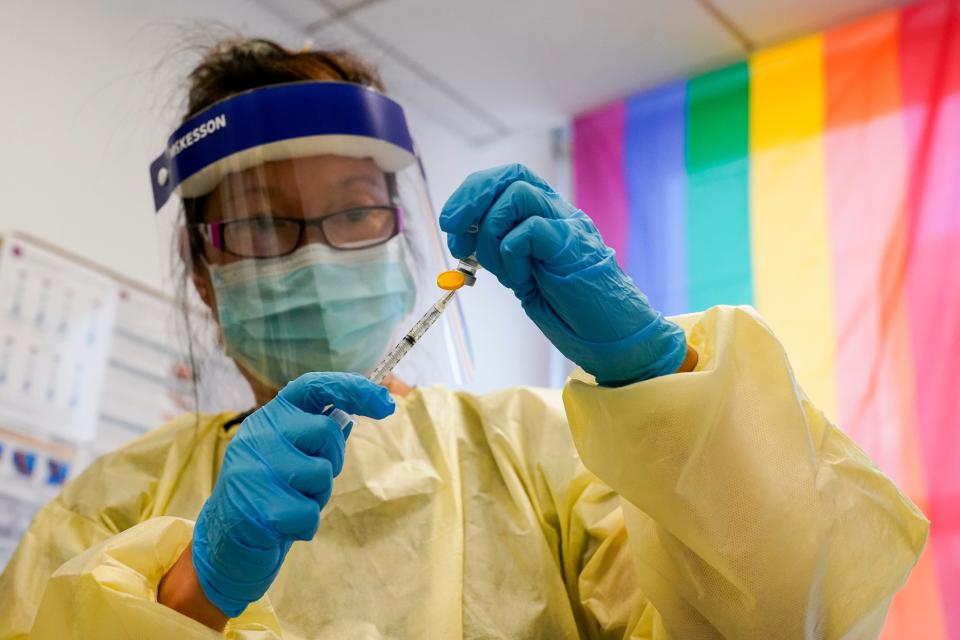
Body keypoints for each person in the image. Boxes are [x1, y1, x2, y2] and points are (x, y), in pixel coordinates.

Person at [0, 38, 927, 640]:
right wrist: (186, 596)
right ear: (206, 276)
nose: (315, 256)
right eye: (259, 224)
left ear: (400, 238)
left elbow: (794, 620)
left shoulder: (547, 460)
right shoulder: (104, 515)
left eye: (355, 214)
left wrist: (665, 385)